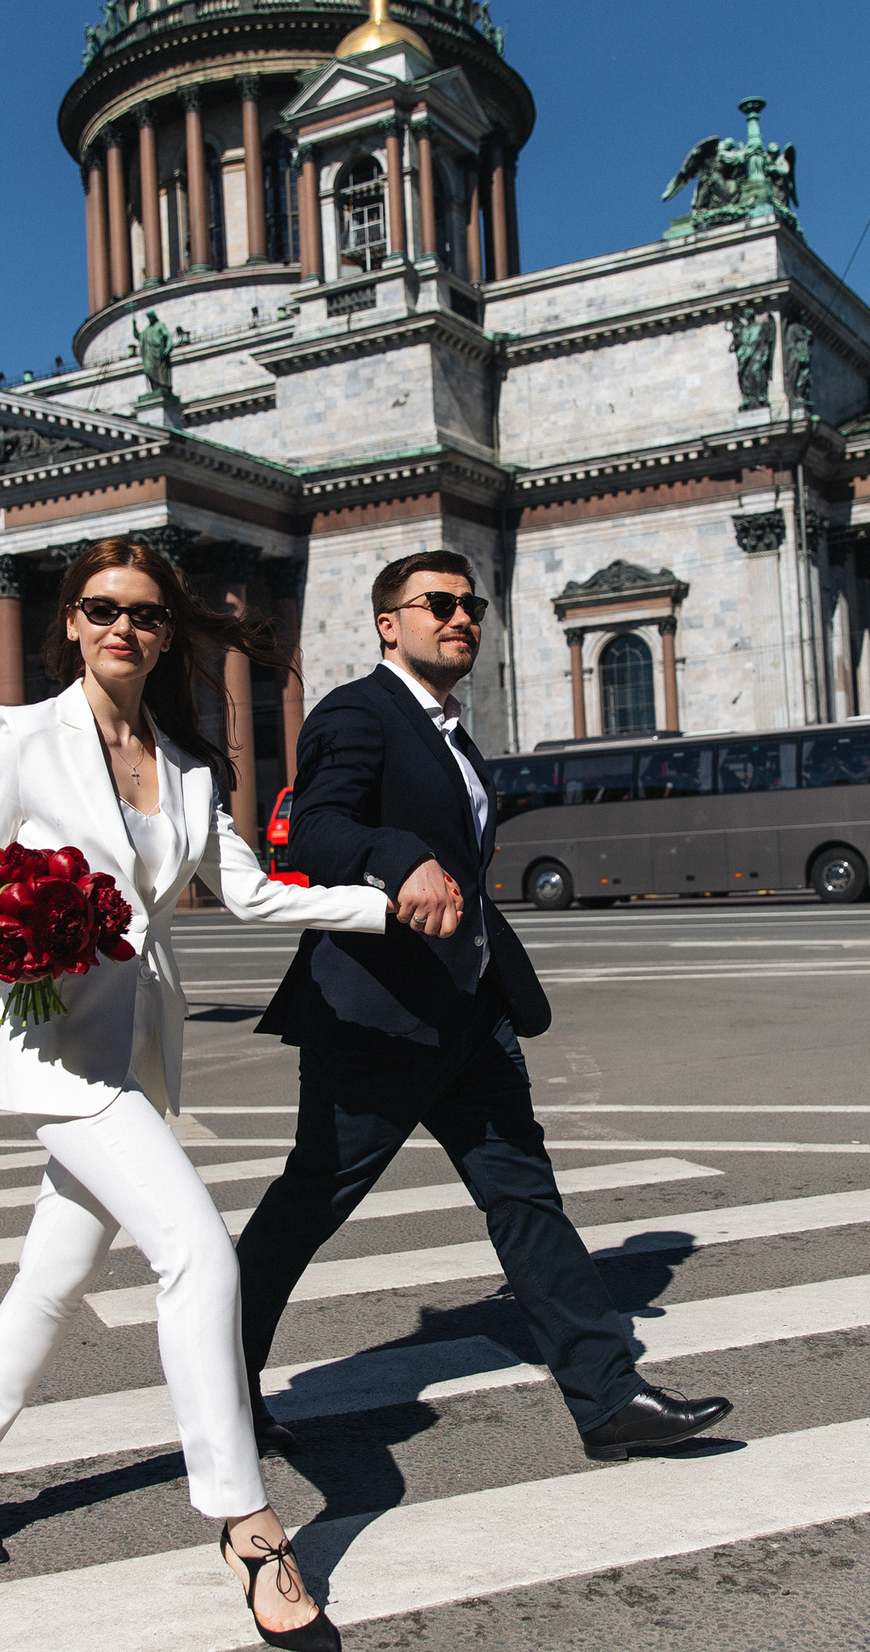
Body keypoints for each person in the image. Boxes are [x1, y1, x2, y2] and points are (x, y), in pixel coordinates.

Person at [0, 537, 386, 1651]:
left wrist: (377, 907)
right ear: (70, 624)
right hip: (57, 1054)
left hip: (137, 1051)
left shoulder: (182, 767)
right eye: (100, 608)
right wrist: (30, 943)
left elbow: (255, 899)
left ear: (165, 633)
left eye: (143, 613)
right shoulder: (21, 739)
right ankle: (245, 1523)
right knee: (198, 1254)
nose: (122, 627)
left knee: (54, 1272)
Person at [237, 550, 732, 1467]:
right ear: (389, 622)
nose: (462, 617)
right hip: (379, 1013)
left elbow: (458, 865)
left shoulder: (455, 734)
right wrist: (396, 854)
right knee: (310, 1201)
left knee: (523, 1195)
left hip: (466, 1011)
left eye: (473, 604)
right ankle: (220, 1382)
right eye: (439, 604)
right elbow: (314, 829)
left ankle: (608, 1396)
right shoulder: (357, 710)